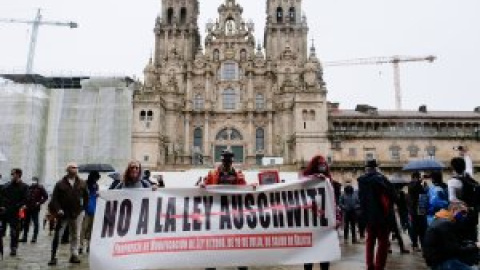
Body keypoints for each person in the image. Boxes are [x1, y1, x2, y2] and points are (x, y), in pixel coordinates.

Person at [203, 150, 247, 270]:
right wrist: (202, 185)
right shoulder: (212, 173)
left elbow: (245, 188)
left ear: (232, 161)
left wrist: (252, 187)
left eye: (229, 161)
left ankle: (241, 264)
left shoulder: (239, 174)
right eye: (225, 161)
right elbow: (204, 186)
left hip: (233, 211)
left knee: (237, 239)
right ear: (222, 161)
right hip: (217, 212)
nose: (227, 163)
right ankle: (211, 265)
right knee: (214, 239)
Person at [302, 155, 340, 270]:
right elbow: (300, 185)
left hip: (325, 222)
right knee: (309, 254)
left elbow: (334, 202)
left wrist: (337, 217)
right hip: (310, 222)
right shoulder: (306, 178)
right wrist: (314, 178)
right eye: (320, 163)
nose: (323, 165)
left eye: (324, 163)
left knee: (325, 254)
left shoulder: (329, 181)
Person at [48, 163, 89, 265]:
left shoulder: (82, 183)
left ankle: (74, 255)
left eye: (76, 167)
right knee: (58, 234)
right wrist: (58, 209)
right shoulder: (60, 184)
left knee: (76, 234)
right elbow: (54, 199)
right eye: (72, 167)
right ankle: (54, 256)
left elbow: (86, 197)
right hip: (63, 213)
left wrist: (83, 208)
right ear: (67, 169)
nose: (75, 169)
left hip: (77, 213)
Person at [358, 159, 396, 270]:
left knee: (370, 241)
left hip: (368, 217)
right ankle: (379, 266)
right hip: (382, 216)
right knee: (383, 242)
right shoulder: (381, 179)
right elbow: (393, 195)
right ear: (376, 168)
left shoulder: (361, 181)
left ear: (366, 169)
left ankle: (369, 265)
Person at [423, 201, 479, 270]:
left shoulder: (441, 219)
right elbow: (454, 249)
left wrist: (472, 244)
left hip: (439, 258)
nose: (465, 216)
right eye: (463, 212)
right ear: (453, 210)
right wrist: (474, 246)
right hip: (441, 261)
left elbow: (454, 243)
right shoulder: (445, 224)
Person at [448, 157, 479, 242]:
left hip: (460, 213)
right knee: (472, 234)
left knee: (460, 236)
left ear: (453, 168)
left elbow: (452, 198)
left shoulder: (452, 182)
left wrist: (463, 203)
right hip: (473, 212)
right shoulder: (469, 177)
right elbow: (469, 166)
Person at [0, 168, 28, 256]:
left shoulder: (24, 186)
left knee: (14, 231)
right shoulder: (6, 185)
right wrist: (2, 205)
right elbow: (1, 195)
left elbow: (26, 199)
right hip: (5, 211)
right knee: (1, 230)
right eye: (11, 174)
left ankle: (13, 247)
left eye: (13, 174)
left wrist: (20, 206)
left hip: (16, 212)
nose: (12, 175)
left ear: (18, 174)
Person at [20, 177, 48, 243]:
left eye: (34, 180)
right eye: (32, 180)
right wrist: (23, 204)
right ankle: (24, 237)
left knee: (36, 223)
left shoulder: (40, 188)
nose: (33, 182)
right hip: (27, 208)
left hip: (35, 208)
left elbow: (46, 197)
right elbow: (24, 197)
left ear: (37, 181)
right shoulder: (28, 187)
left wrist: (39, 202)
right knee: (26, 223)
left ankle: (34, 238)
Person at [407, 171, 428, 252]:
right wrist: (419, 181)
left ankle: (423, 244)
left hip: (421, 207)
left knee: (423, 227)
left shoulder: (419, 185)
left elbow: (423, 194)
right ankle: (415, 245)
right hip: (414, 209)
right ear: (415, 177)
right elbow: (413, 189)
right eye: (418, 177)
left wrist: (425, 188)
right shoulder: (411, 184)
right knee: (415, 228)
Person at [79, 171, 100, 254]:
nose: (96, 179)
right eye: (96, 177)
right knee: (83, 228)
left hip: (94, 209)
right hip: (85, 209)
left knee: (91, 229)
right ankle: (80, 246)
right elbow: (80, 196)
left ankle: (89, 246)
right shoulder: (84, 184)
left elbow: (96, 195)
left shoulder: (96, 185)